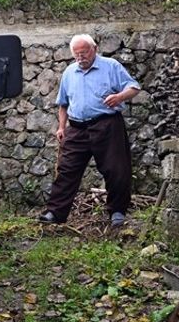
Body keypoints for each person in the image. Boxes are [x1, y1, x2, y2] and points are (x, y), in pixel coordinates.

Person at [38, 34, 141, 227]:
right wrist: (61, 127)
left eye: (84, 53)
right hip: (76, 128)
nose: (80, 57)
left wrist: (119, 97)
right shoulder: (69, 72)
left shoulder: (111, 66)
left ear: (94, 49)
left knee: (116, 169)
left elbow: (134, 87)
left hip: (107, 124)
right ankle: (55, 212)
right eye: (76, 54)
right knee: (66, 169)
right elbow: (63, 104)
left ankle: (117, 211)